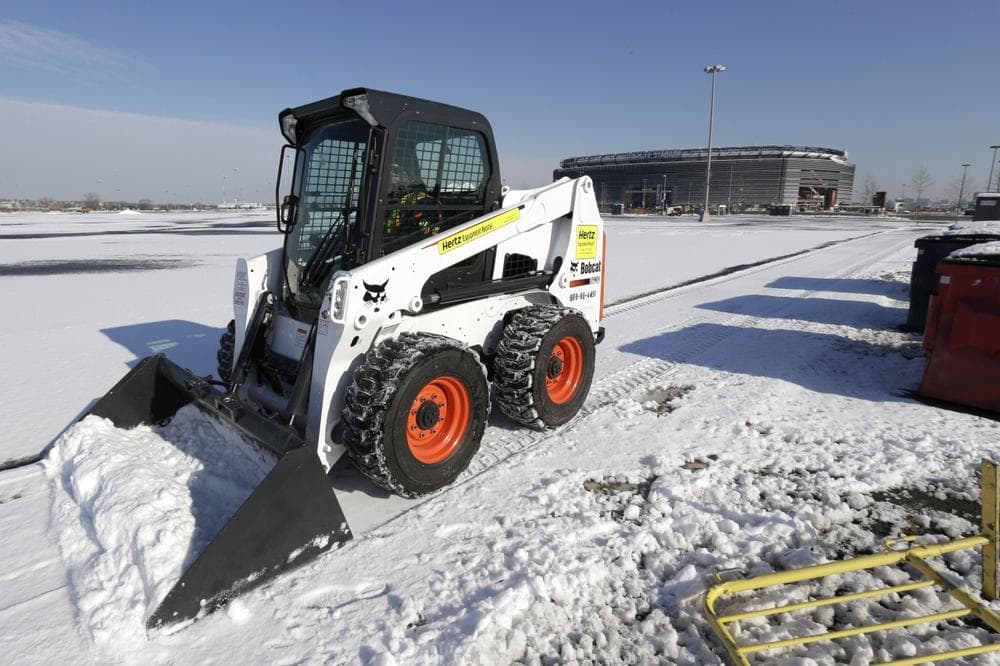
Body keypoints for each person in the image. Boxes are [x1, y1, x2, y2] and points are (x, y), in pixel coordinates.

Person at [384, 162, 439, 242]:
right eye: (390, 170)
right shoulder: (392, 196)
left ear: (408, 175)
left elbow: (414, 234)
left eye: (396, 171)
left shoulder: (421, 200)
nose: (391, 173)